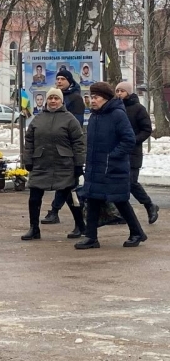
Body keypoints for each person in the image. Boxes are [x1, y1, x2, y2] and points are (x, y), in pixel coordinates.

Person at [75, 82, 147, 250]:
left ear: (106, 98)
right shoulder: (94, 116)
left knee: (120, 201)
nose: (92, 100)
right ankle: (91, 237)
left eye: (96, 97)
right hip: (95, 168)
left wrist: (112, 157)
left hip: (112, 167)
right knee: (92, 200)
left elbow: (129, 140)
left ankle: (137, 232)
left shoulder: (117, 115)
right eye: (91, 97)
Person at [21, 88, 86, 240]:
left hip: (64, 164)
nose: (53, 101)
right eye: (50, 98)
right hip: (41, 164)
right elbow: (29, 140)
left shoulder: (70, 119)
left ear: (61, 101)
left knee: (71, 197)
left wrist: (78, 165)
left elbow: (78, 143)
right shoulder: (38, 119)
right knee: (34, 197)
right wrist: (28, 160)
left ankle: (80, 226)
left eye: (56, 98)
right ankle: (34, 229)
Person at [41, 68, 86, 225]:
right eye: (57, 79)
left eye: (62, 79)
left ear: (69, 81)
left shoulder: (76, 98)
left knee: (68, 183)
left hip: (68, 147)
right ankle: (78, 221)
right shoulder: (52, 99)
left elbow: (77, 125)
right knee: (66, 184)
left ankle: (56, 211)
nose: (59, 81)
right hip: (53, 149)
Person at [116, 82, 159, 224]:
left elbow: (146, 129)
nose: (119, 94)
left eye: (122, 91)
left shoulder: (138, 109)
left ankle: (149, 205)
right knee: (118, 183)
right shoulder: (115, 108)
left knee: (131, 182)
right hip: (118, 151)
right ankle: (120, 213)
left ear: (128, 92)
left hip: (133, 152)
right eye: (117, 91)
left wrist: (133, 140)